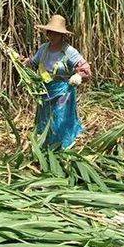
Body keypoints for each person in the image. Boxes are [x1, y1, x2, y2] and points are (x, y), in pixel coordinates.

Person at [22, 15, 92, 149]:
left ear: (62, 35)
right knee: (45, 119)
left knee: (59, 119)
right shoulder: (43, 49)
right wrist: (22, 61)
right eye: (50, 33)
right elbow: (33, 63)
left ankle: (62, 146)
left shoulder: (69, 51)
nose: (52, 36)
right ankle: (45, 145)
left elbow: (86, 70)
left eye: (56, 33)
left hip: (63, 92)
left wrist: (78, 76)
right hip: (45, 91)